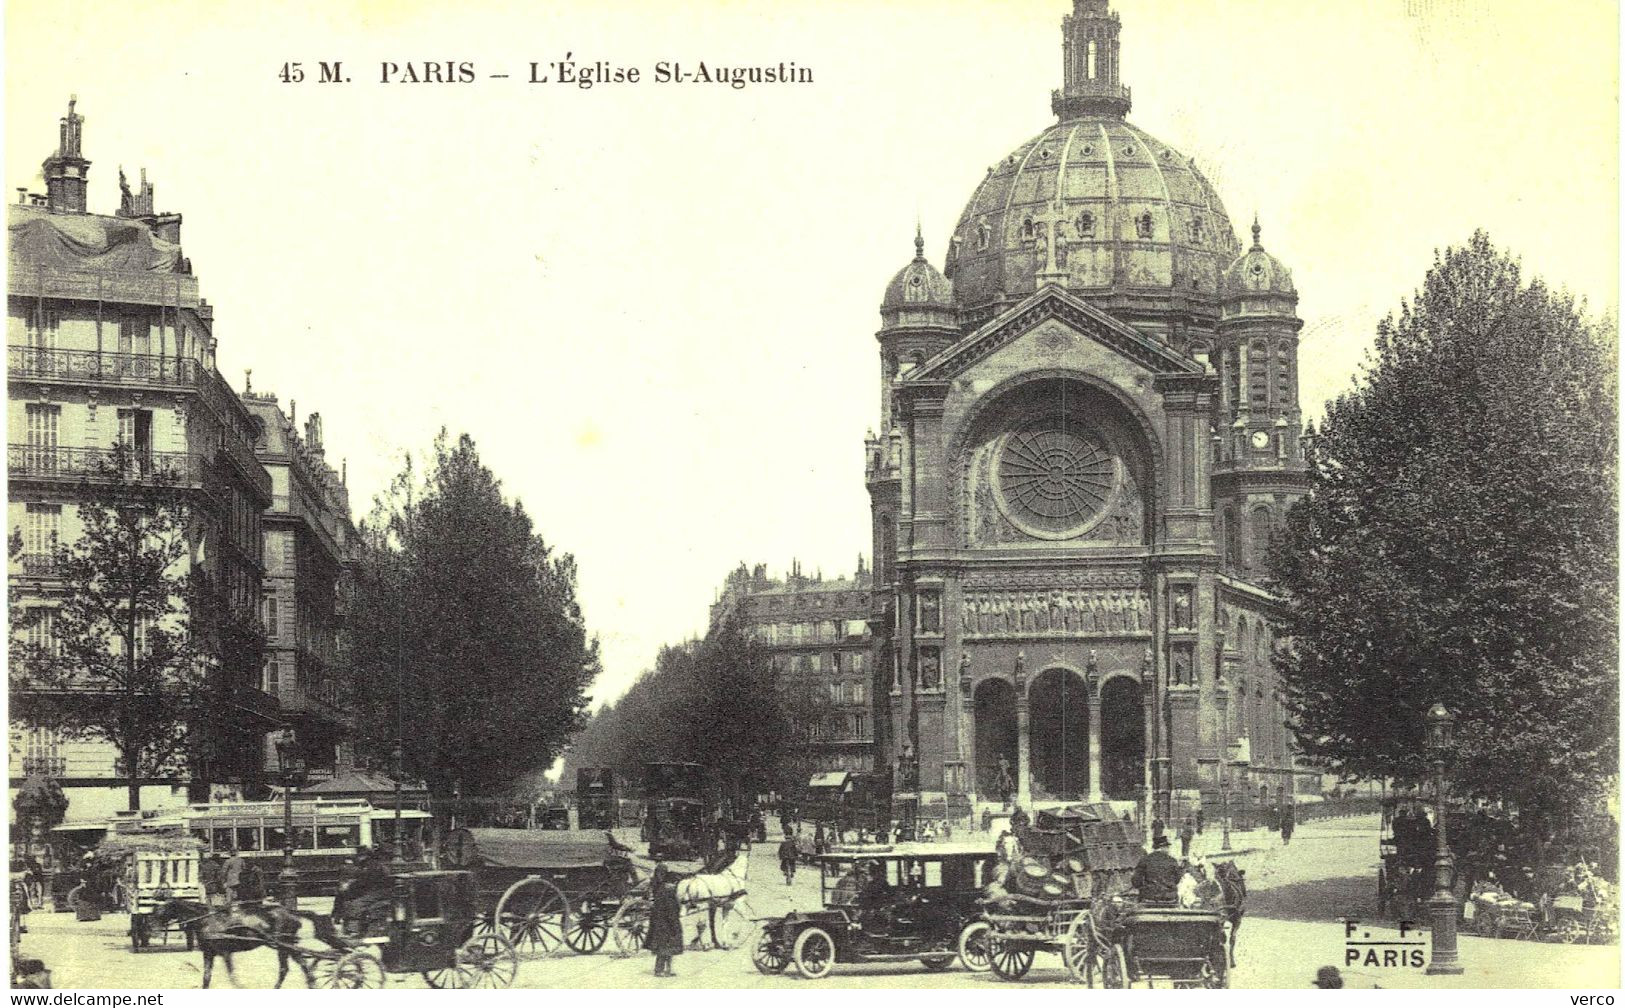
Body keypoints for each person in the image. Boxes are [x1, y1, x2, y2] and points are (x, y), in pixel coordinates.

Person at [645, 863, 684, 977]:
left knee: (665, 949)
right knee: (665, 949)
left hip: (658, 922)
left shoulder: (658, 887)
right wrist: (675, 925)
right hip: (667, 924)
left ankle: (667, 970)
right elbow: (671, 911)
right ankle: (659, 970)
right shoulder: (668, 892)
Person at [1130, 835, 1183, 904]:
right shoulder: (1172, 860)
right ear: (1164, 847)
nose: (1168, 849)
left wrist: (1142, 888)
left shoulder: (1145, 860)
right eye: (1167, 847)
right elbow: (1177, 879)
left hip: (1149, 896)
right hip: (1170, 897)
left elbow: (1136, 880)